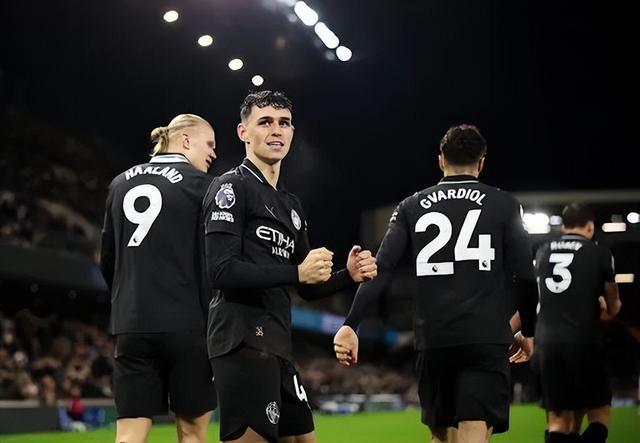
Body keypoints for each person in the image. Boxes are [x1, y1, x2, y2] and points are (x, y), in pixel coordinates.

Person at [333, 124, 538, 443]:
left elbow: (381, 269)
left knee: (441, 436)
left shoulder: (411, 205)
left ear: (441, 159)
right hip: (484, 337)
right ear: (482, 161)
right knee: (475, 431)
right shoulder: (504, 204)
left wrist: (351, 323)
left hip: (434, 339)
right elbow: (525, 274)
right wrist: (528, 330)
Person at [203, 90, 377, 443]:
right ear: (243, 132)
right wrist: (296, 271)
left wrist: (348, 275)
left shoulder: (290, 204)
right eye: (265, 122)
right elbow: (221, 271)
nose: (276, 130)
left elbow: (307, 288)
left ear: (292, 133)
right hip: (241, 341)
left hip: (278, 346)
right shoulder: (231, 187)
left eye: (284, 123)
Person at [100, 114, 218, 443]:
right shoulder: (203, 186)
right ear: (186, 141)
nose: (213, 153)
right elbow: (213, 260)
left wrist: (129, 300)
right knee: (192, 435)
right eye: (209, 144)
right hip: (188, 326)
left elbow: (107, 260)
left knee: (128, 435)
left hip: (132, 325)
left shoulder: (119, 183)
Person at [532, 203, 621, 443]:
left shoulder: (542, 251)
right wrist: (603, 306)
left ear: (563, 227)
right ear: (590, 227)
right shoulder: (599, 252)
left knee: (560, 423)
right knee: (600, 413)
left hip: (547, 343)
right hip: (584, 342)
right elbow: (613, 306)